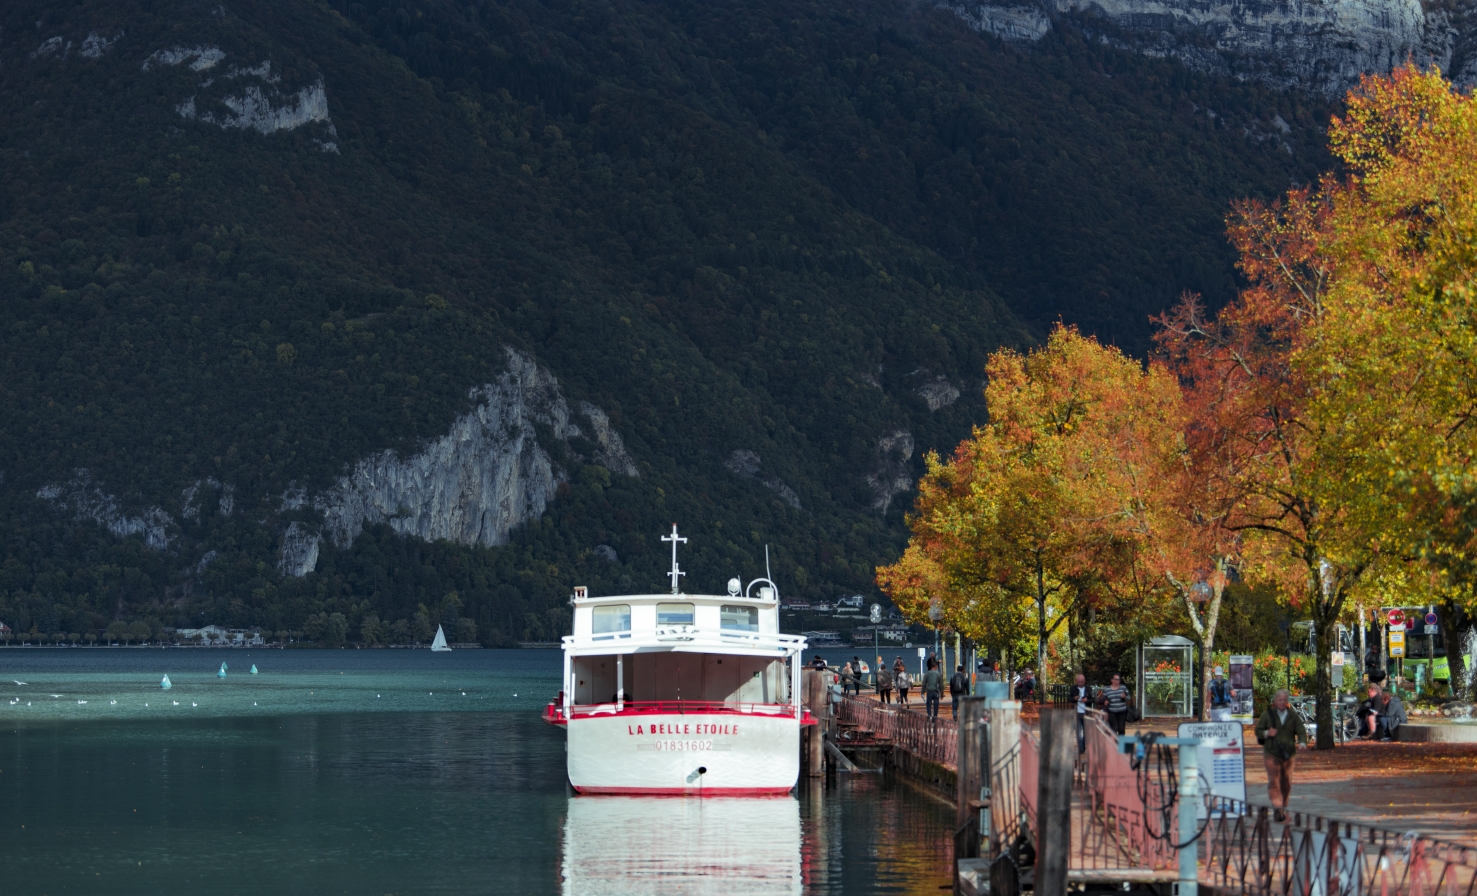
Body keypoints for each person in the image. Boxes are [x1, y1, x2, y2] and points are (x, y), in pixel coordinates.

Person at [1254, 688, 1309, 821]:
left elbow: (1301, 729)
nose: (1282, 702)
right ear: (1274, 701)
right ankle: (1277, 807)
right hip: (1271, 753)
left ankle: (1283, 806)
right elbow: (1258, 730)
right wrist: (1267, 733)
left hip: (1289, 754)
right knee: (1274, 781)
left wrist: (1302, 742)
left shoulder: (1293, 715)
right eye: (1280, 700)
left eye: (1284, 700)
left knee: (1286, 782)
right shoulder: (1267, 715)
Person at [1071, 672, 1091, 754]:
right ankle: (1081, 748)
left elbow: (1093, 699)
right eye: (1078, 682)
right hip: (1077, 712)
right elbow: (1069, 698)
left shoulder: (1088, 689)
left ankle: (1083, 745)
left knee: (1086, 732)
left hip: (1086, 712)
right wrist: (1074, 698)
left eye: (1082, 682)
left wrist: (1087, 700)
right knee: (1078, 732)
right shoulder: (1073, 688)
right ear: (1076, 681)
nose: (1080, 684)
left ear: (1084, 681)